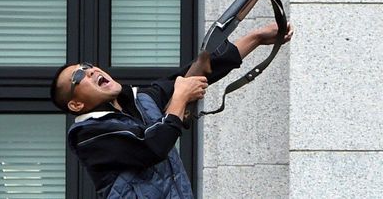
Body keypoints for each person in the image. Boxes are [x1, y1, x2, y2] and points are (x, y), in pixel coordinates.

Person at [50, 22, 294, 198]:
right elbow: (151, 146)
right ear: (76, 105)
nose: (91, 70)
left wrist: (256, 38)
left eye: (88, 65)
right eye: (79, 75)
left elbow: (201, 70)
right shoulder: (88, 135)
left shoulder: (142, 99)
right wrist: (180, 98)